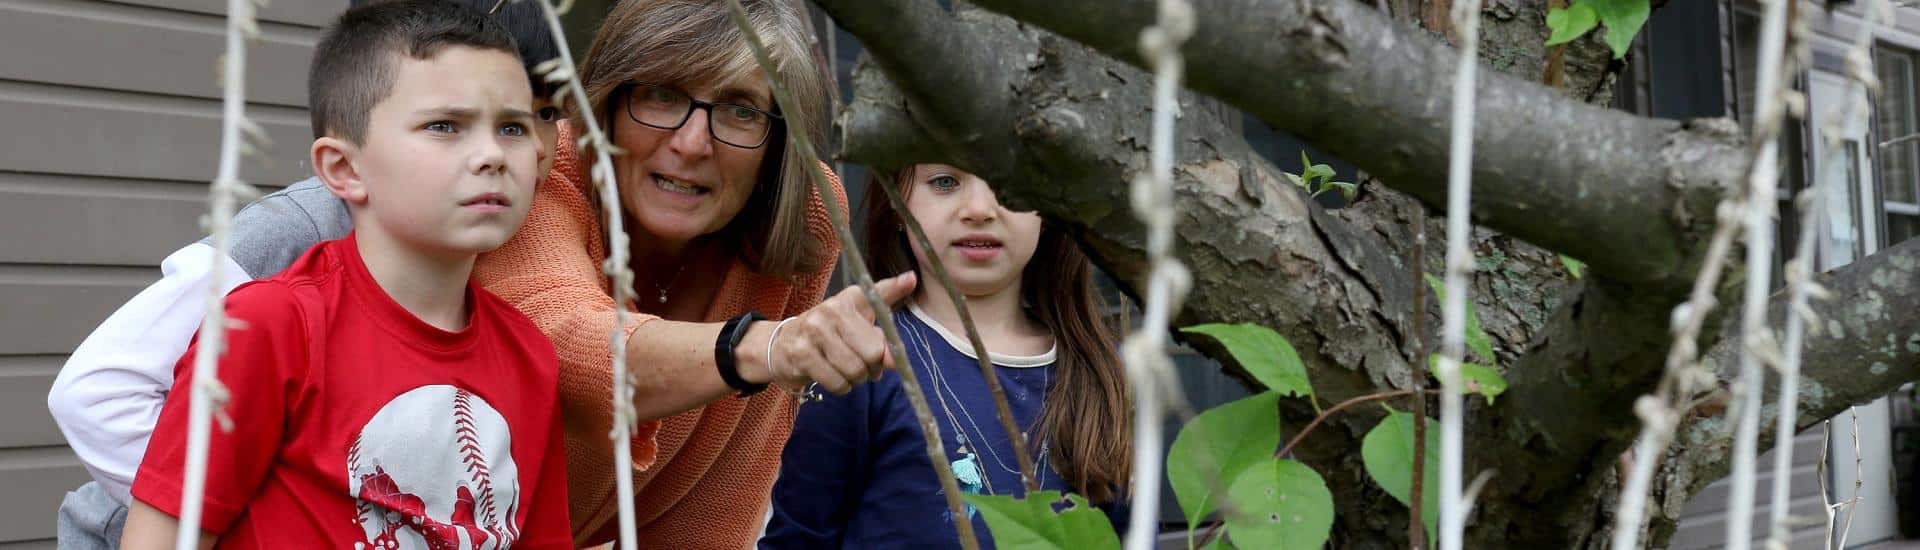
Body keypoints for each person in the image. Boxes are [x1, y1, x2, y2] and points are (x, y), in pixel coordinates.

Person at [46, 2, 563, 547]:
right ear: (343, 169)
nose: (492, 154)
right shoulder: (268, 317)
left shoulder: (531, 357)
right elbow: (104, 411)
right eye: (444, 125)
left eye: (513, 126)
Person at [760, 164, 1133, 548]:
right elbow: (797, 540)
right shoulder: (862, 359)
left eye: (1009, 184)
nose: (980, 209)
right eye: (944, 182)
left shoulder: (1106, 373)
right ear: (895, 200)